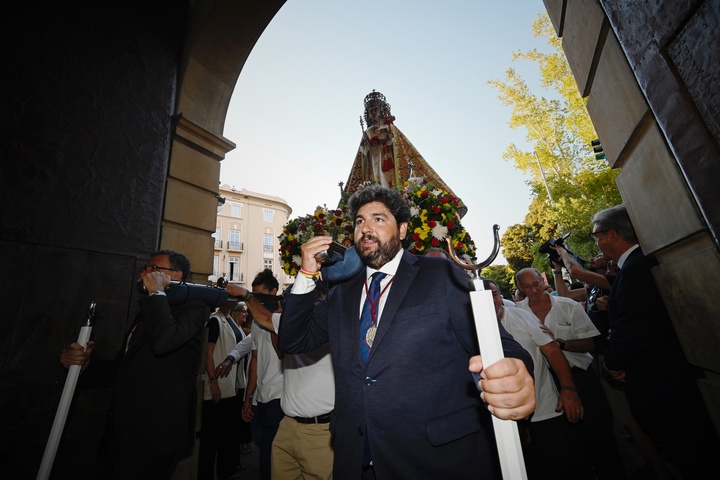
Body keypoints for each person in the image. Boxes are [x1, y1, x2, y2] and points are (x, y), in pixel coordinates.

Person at [278, 184, 535, 479]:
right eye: (360, 221)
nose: (366, 228)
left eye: (378, 219)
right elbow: (292, 340)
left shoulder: (440, 275)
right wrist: (306, 275)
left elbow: (499, 345)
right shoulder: (341, 294)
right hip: (356, 459)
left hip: (433, 460)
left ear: (401, 230)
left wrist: (515, 372)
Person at [592, 204, 720, 478]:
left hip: (663, 385)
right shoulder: (635, 266)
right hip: (663, 381)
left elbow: (636, 325)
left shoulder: (636, 268)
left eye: (597, 235)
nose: (598, 242)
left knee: (692, 458)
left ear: (613, 235)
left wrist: (612, 361)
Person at [60, 250, 208, 480]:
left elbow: (164, 342)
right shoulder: (148, 311)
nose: (145, 273)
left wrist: (157, 292)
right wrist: (84, 364)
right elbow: (123, 369)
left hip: (157, 434)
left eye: (154, 269)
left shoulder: (194, 308)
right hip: (123, 430)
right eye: (145, 268)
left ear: (177, 275)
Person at [515, 267, 626, 479]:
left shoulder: (568, 306)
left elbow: (591, 343)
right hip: (548, 387)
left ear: (543, 281)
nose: (534, 290)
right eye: (527, 287)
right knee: (569, 446)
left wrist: (559, 343)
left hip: (581, 379)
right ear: (520, 288)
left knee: (600, 438)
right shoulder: (517, 313)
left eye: (536, 284)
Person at [224, 281, 335, 480]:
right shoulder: (290, 323)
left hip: (320, 431)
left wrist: (247, 295)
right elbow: (270, 330)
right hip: (288, 425)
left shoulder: (328, 324)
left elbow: (268, 320)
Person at [486, 279, 594, 480]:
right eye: (484, 297)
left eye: (494, 294)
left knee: (572, 467)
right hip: (509, 423)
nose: (491, 301)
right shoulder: (474, 331)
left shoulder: (520, 316)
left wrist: (569, 389)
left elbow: (552, 350)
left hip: (548, 410)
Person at [343, 91, 467, 218]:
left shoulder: (388, 126)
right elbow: (362, 155)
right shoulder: (367, 132)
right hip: (372, 164)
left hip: (387, 163)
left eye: (375, 109)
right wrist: (365, 147)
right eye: (370, 111)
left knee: (387, 185)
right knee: (373, 186)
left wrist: (388, 136)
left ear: (381, 111)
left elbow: (396, 143)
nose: (373, 113)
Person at [240, 269, 284, 480]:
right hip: (261, 398)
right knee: (262, 448)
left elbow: (282, 354)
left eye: (261, 296)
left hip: (280, 396)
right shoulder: (257, 323)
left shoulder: (284, 318)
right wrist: (249, 398)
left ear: (274, 292)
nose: (256, 301)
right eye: (253, 296)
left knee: (269, 456)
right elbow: (255, 360)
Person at [197, 298, 242, 480]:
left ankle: (225, 471)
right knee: (211, 438)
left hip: (229, 385)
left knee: (226, 436)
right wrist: (213, 381)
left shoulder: (229, 319)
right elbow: (209, 353)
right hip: (219, 385)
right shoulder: (216, 320)